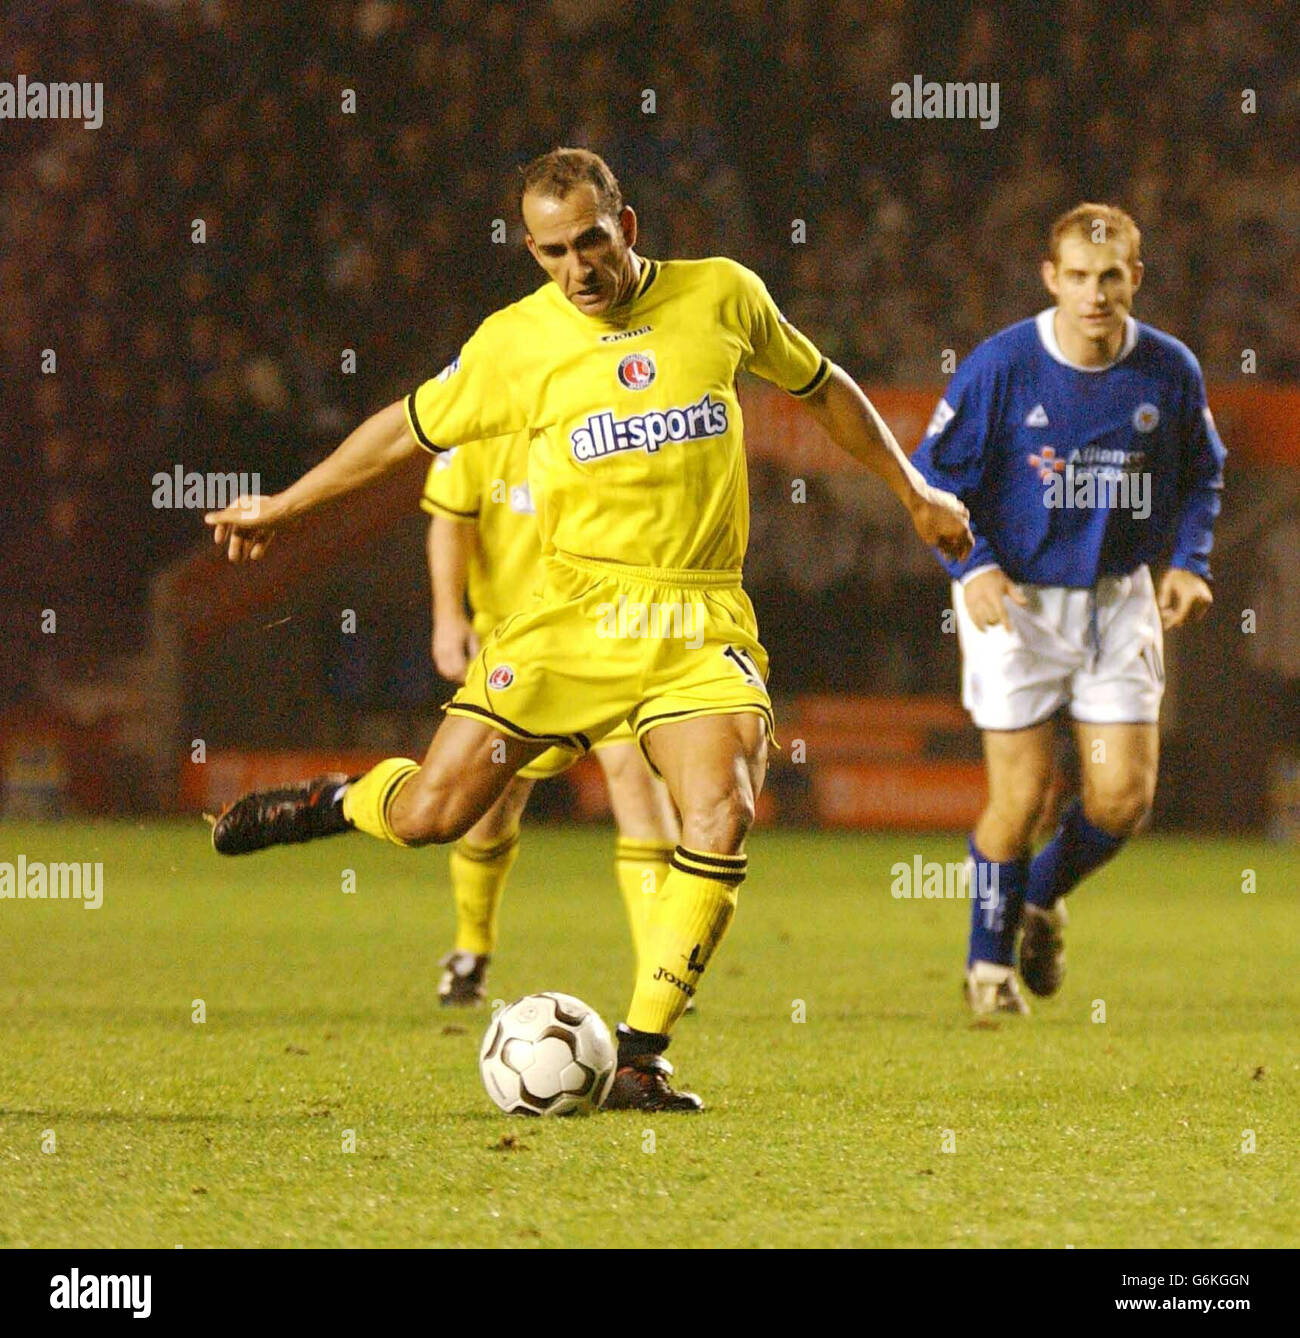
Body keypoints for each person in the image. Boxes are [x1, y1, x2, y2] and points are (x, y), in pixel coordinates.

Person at [206, 147, 972, 1108]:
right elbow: (403, 430)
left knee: (723, 808)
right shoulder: (513, 343)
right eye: (555, 251)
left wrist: (912, 491)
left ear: (629, 228)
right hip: (569, 621)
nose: (579, 269)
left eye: (593, 242)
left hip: (698, 617)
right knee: (433, 818)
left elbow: (824, 388)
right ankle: (334, 802)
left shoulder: (724, 296)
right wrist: (286, 506)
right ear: (532, 250)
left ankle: (641, 1054)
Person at [911, 203, 1226, 1014]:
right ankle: (988, 972)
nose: (1094, 293)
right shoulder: (1003, 365)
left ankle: (1040, 899)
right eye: (1078, 277)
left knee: (1122, 799)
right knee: (1023, 799)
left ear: (1135, 278)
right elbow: (929, 482)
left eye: (1110, 276)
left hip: (1120, 600)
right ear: (1051, 278)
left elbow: (1201, 475)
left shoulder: (1169, 370)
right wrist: (973, 565)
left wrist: (1188, 563)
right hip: (1014, 602)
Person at [422, 431, 679, 1006]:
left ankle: (662, 968)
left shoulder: (607, 411)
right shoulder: (484, 410)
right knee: (489, 803)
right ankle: (471, 947)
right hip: (515, 647)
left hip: (606, 635)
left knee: (635, 779)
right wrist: (447, 615)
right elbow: (450, 518)